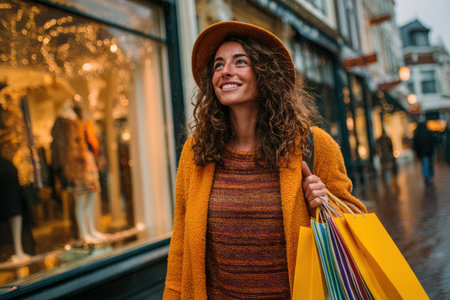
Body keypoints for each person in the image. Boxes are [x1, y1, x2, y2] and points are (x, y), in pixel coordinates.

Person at [163, 21, 367, 299]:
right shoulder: (197, 152)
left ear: (266, 73)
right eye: (218, 65)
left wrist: (325, 202)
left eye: (240, 62)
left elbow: (357, 225)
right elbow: (180, 245)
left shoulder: (313, 145)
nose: (226, 71)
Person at [413, 120, 438, 184]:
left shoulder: (416, 133)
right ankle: (430, 175)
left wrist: (416, 152)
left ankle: (427, 176)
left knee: (424, 164)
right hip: (429, 151)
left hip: (422, 152)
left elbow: (415, 144)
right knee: (430, 163)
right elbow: (433, 141)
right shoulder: (428, 131)